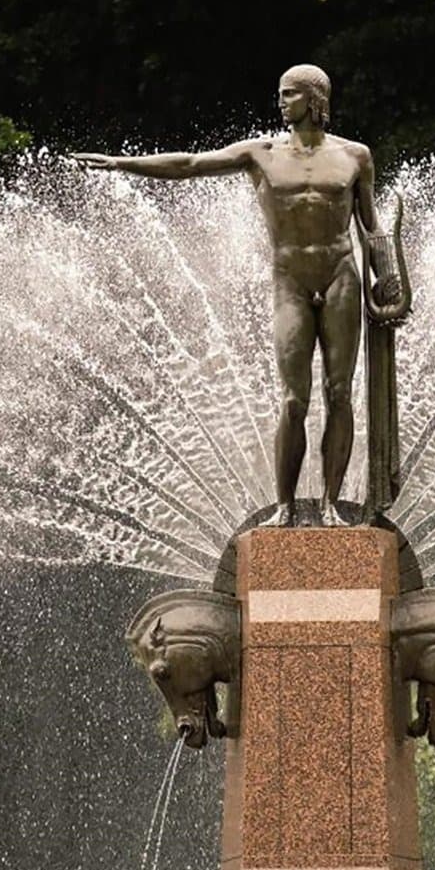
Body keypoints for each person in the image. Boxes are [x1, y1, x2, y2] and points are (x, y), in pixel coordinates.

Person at [73, 64, 398, 527]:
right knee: (293, 400)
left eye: (288, 95)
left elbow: (371, 226)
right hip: (290, 280)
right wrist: (123, 165)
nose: (280, 103)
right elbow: (189, 165)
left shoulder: (355, 156)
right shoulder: (260, 154)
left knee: (339, 391)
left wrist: (388, 277)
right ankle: (285, 507)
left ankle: (330, 505)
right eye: (280, 95)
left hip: (340, 275)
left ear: (314, 99)